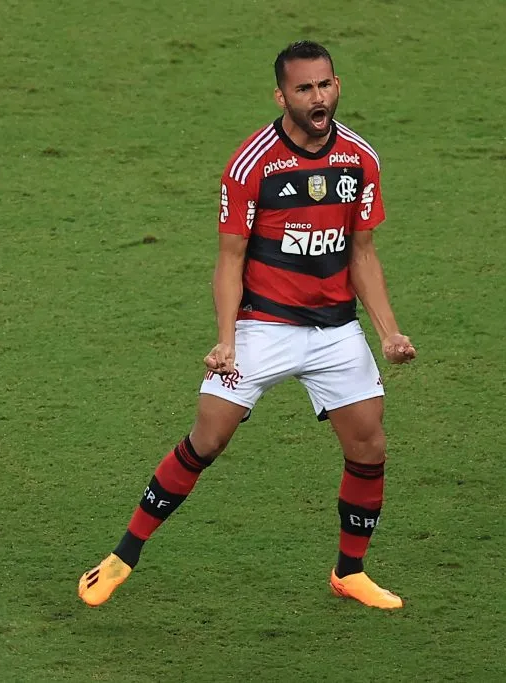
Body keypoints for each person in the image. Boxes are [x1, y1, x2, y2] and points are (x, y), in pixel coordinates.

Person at [78, 40, 416, 610]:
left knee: (369, 447)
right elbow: (230, 259)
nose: (318, 96)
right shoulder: (251, 164)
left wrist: (388, 332)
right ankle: (122, 556)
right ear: (281, 94)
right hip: (264, 326)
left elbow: (363, 253)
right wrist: (227, 340)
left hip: (335, 330)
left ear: (338, 85)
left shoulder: (361, 159)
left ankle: (349, 572)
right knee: (207, 438)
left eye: (326, 84)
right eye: (304, 88)